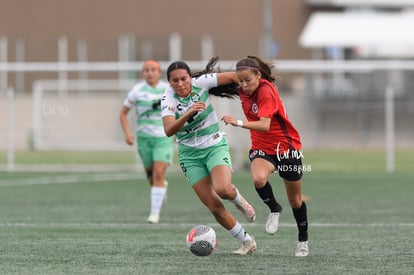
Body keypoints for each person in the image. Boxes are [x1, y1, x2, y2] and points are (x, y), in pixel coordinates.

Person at [161, 57, 257, 255]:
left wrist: (254, 81)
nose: (180, 84)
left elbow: (234, 76)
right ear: (169, 82)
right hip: (189, 155)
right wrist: (188, 113)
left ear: (190, 77)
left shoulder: (201, 83)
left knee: (223, 189)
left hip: (214, 144)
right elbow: (169, 130)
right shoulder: (168, 97)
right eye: (174, 81)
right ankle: (247, 242)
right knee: (214, 205)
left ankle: (239, 201)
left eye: (183, 79)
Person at [221, 55, 309, 257]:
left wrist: (238, 122)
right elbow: (217, 80)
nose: (243, 85)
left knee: (295, 200)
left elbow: (264, 125)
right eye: (240, 81)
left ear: (258, 75)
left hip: (286, 149)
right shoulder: (242, 84)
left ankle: (303, 240)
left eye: (247, 81)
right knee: (258, 179)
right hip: (262, 147)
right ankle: (274, 209)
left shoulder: (266, 91)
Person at [120, 60, 174, 224]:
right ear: (143, 74)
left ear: (159, 72)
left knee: (158, 174)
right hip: (144, 138)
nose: (149, 73)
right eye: (146, 70)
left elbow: (178, 109)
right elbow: (123, 114)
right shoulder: (137, 90)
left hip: (163, 138)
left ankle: (154, 214)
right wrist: (128, 133)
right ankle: (161, 187)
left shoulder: (168, 89)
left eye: (153, 70)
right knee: (151, 176)